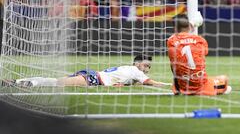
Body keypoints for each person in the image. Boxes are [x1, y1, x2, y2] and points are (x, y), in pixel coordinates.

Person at [2, 55, 171, 88]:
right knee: (57, 83)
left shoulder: (130, 70)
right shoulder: (136, 70)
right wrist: (170, 84)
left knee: (56, 81)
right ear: (137, 63)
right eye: (146, 65)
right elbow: (149, 82)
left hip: (92, 75)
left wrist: (120, 84)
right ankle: (23, 83)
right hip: (93, 78)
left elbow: (124, 80)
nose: (147, 68)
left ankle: (18, 81)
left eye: (149, 66)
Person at [167, 14, 232, 96]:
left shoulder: (171, 41)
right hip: (200, 85)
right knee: (224, 78)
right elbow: (204, 53)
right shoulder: (200, 40)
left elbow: (173, 64)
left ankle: (179, 88)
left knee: (173, 62)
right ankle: (216, 88)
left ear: (175, 28)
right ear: (189, 26)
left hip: (182, 86)